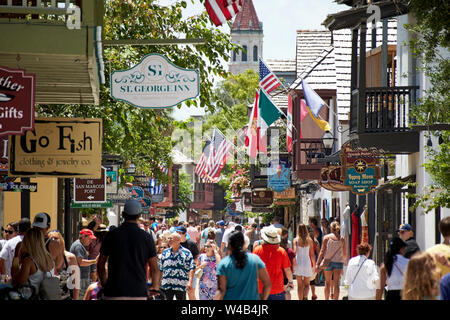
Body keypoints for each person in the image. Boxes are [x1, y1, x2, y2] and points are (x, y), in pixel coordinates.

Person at [97, 199, 160, 300]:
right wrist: (154, 287)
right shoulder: (146, 237)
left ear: (122, 214)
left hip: (114, 291)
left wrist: (105, 284)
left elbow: (100, 264)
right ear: (139, 215)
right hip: (138, 292)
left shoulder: (111, 235)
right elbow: (154, 268)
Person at [215, 230, 271, 300]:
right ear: (244, 244)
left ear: (229, 246)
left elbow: (221, 290)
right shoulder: (255, 260)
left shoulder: (224, 264)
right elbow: (267, 284)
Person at [253, 225, 294, 300]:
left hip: (261, 288)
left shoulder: (257, 250)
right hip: (277, 288)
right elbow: (287, 270)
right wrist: (291, 282)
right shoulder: (281, 251)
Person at [12, 228, 55, 298]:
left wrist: (16, 257)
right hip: (46, 296)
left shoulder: (28, 261)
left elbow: (18, 283)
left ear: (27, 241)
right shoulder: (49, 258)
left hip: (31, 296)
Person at [159, 232, 195, 300]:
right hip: (167, 284)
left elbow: (191, 267)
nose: (169, 240)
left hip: (181, 285)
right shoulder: (165, 252)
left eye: (171, 239)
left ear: (178, 240)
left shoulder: (186, 253)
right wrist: (158, 282)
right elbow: (160, 268)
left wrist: (190, 282)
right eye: (169, 238)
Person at [316, 221, 347, 300]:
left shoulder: (326, 237)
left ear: (331, 228)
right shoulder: (342, 239)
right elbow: (344, 253)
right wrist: (344, 263)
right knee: (336, 283)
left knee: (327, 282)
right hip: (338, 262)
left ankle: (326, 298)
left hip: (327, 262)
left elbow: (322, 251)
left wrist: (318, 263)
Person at [47, 230, 79, 300]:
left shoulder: (71, 258)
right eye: (50, 239)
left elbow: (75, 283)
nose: (53, 240)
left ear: (61, 241)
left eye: (55, 238)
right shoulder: (44, 258)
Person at [70, 228, 98, 299]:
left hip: (81, 279)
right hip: (81, 279)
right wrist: (94, 261)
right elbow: (81, 262)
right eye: (89, 238)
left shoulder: (79, 245)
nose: (91, 241)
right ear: (83, 236)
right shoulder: (78, 246)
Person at [293, 223, 315, 300]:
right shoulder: (310, 240)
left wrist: (292, 263)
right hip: (307, 263)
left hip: (298, 263)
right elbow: (312, 254)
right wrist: (314, 266)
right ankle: (305, 297)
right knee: (306, 284)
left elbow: (294, 252)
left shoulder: (296, 240)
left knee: (299, 285)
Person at [176, 225, 199, 300]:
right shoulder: (175, 245)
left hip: (190, 272)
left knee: (191, 293)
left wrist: (192, 267)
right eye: (177, 232)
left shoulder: (192, 244)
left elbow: (196, 258)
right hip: (179, 272)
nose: (178, 234)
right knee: (180, 295)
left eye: (180, 233)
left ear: (185, 234)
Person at [280, 227, 296, 300]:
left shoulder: (277, 252)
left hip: (279, 274)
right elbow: (294, 263)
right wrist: (293, 271)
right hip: (287, 275)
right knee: (287, 292)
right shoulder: (290, 251)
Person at [308, 226, 320, 300]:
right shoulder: (315, 241)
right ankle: (313, 295)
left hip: (307, 259)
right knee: (312, 280)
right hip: (313, 259)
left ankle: (304, 295)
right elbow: (318, 253)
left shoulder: (305, 241)